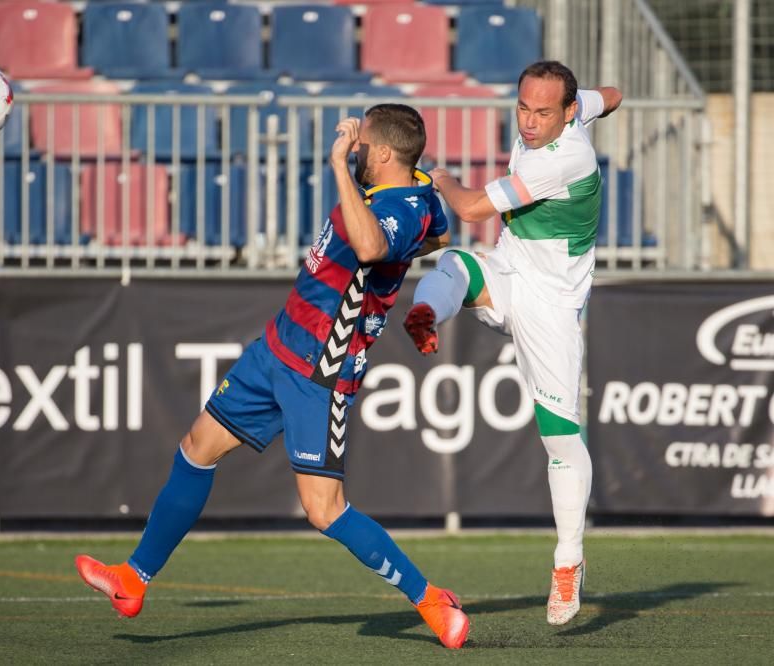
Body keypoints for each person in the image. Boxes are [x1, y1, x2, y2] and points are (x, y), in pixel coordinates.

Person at [75, 104, 470, 649]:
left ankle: (430, 599)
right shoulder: (416, 192)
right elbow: (438, 236)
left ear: (381, 153)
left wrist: (337, 167)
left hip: (320, 372)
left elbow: (374, 247)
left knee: (323, 510)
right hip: (277, 349)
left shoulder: (403, 204)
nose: (353, 148)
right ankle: (133, 579)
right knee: (195, 448)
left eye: (360, 144)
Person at [402, 60, 623, 626]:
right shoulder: (575, 109)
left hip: (551, 306)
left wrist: (439, 177)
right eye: (522, 107)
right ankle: (428, 311)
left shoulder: (569, 154)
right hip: (509, 270)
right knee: (455, 262)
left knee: (558, 441)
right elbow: (612, 96)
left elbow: (472, 207)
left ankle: (568, 561)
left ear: (567, 113)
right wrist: (604, 99)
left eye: (542, 112)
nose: (528, 122)